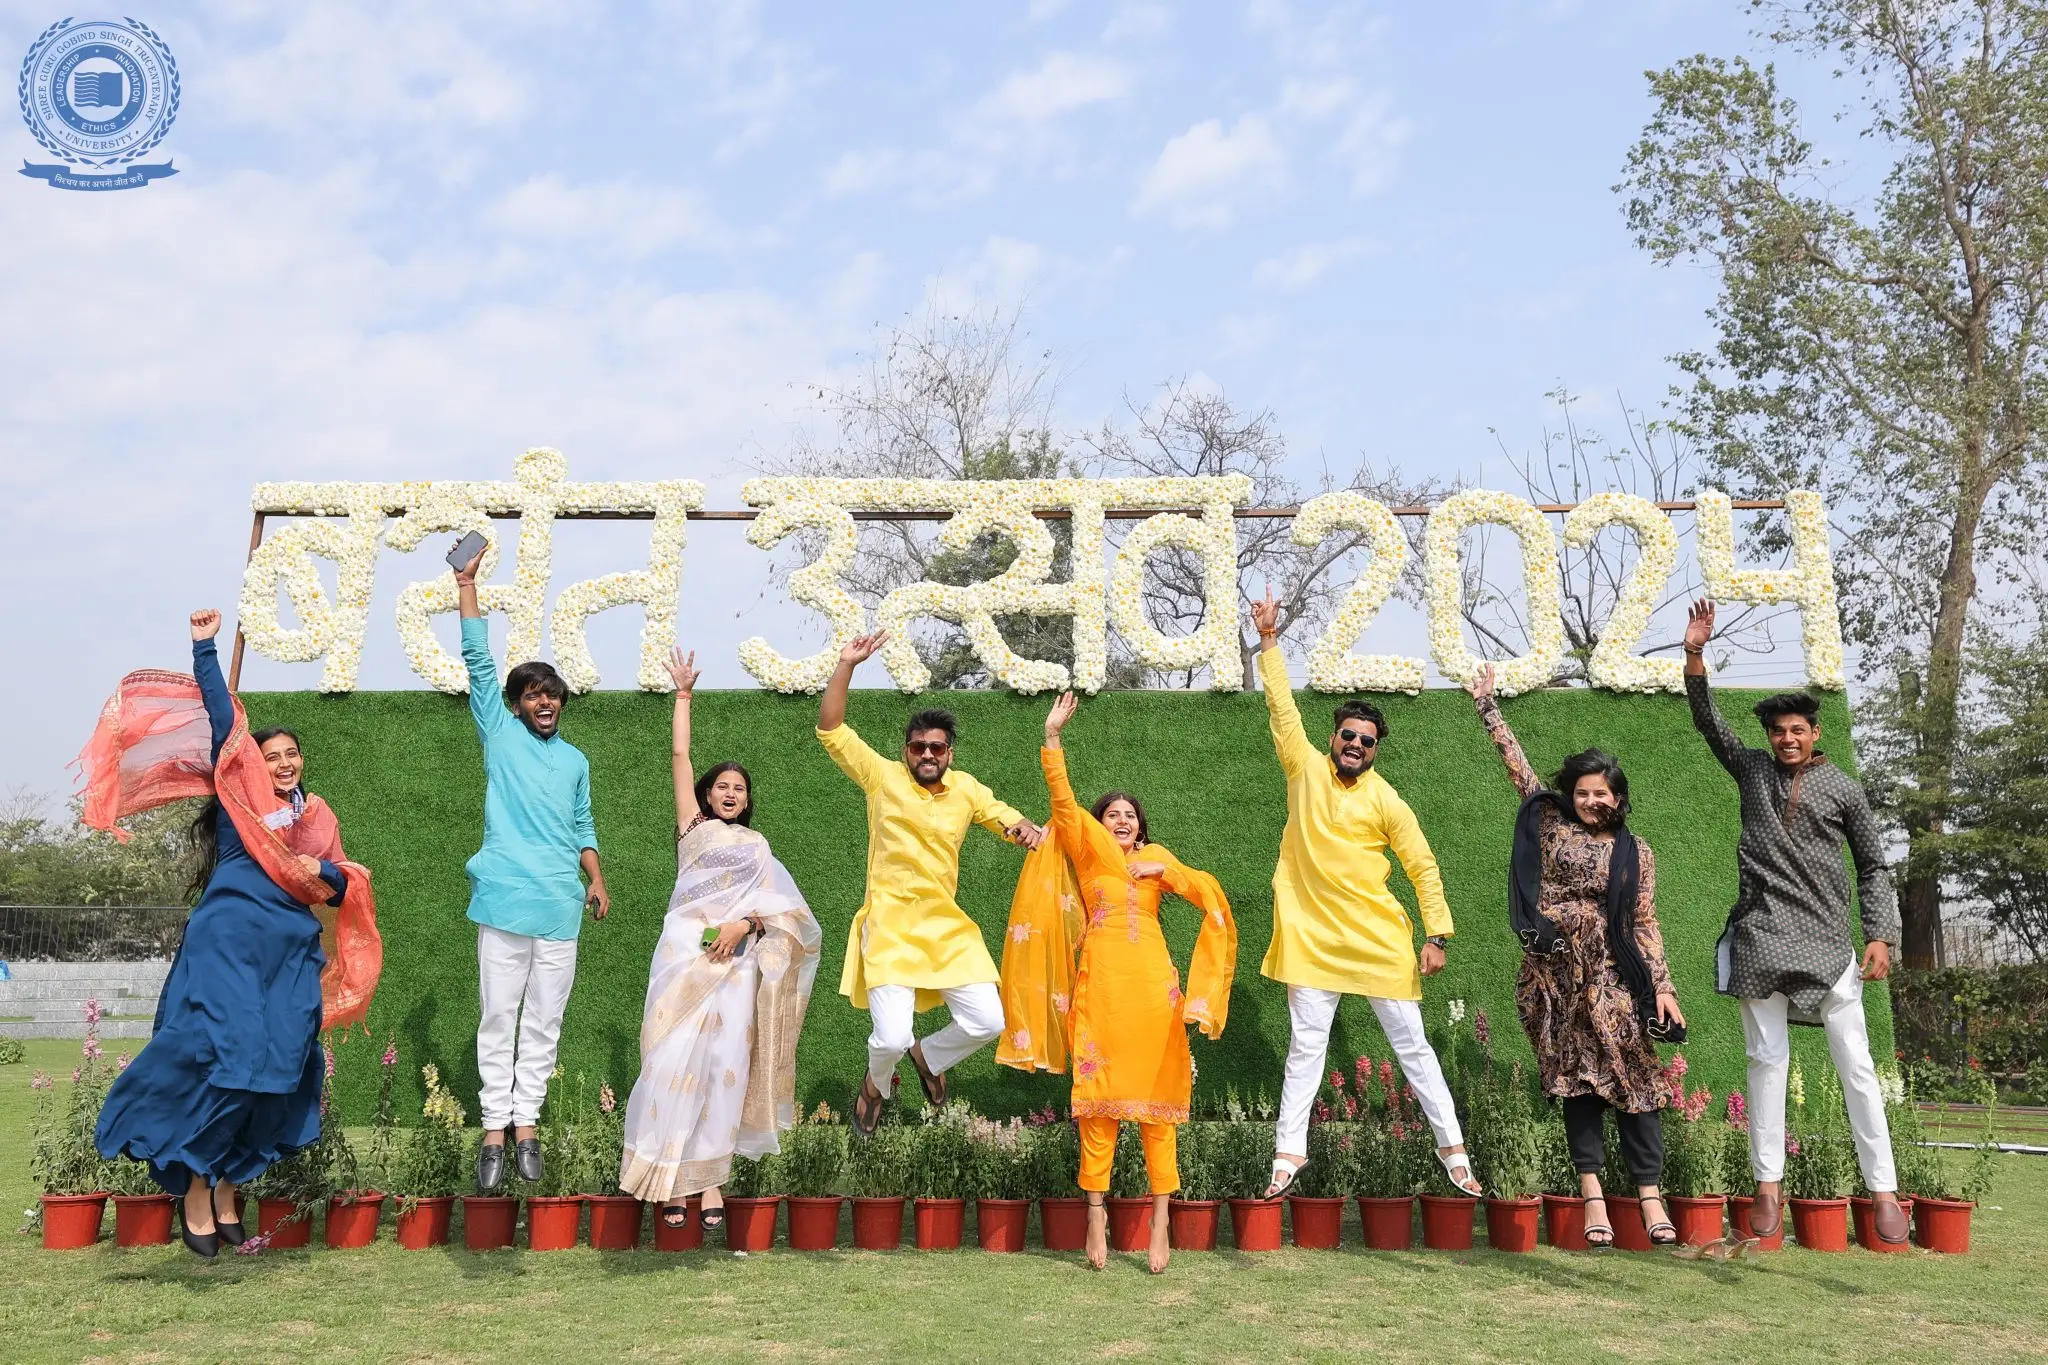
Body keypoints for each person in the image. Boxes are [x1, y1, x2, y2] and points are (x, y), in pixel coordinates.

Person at [89, 609, 378, 1259]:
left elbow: (342, 884)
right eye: (270, 756)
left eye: (291, 754)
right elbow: (224, 718)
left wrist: (324, 870)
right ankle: (194, 1181)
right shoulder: (239, 799)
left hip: (289, 956)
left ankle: (227, 1182)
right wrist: (205, 647)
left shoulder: (317, 817)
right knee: (226, 1057)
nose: (283, 762)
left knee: (281, 1066)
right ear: (250, 765)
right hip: (228, 945)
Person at [1684, 599, 1909, 1245]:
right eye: (1778, 730)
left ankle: (1884, 1190)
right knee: (1766, 1060)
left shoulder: (1844, 789)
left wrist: (1880, 934)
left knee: (1856, 1065)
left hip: (1829, 942)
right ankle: (1768, 1188)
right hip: (1760, 937)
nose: (1787, 738)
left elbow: (1873, 865)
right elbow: (1709, 723)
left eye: (1797, 730)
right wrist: (1695, 654)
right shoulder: (1752, 769)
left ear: (1815, 732)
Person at [1250, 589, 1481, 1199]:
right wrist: (1270, 641)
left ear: (1376, 749)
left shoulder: (1387, 800)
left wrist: (1437, 936)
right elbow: (1281, 707)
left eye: (1367, 740)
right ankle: (1287, 1157)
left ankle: (1454, 1152)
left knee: (1414, 1048)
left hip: (1379, 940)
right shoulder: (1303, 767)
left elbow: (1422, 865)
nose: (1355, 744)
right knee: (1305, 1050)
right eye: (1348, 734)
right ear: (1333, 737)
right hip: (1312, 939)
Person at [998, 690, 1237, 1273]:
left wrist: (1167, 870)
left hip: (1154, 989)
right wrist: (1052, 738)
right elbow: (1062, 801)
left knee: (1158, 1108)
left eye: (1130, 815)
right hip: (1101, 985)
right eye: (1113, 814)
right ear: (1100, 826)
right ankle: (1095, 1215)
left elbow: (1208, 895)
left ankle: (1160, 1222)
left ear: (1141, 827)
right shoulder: (1088, 853)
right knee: (1098, 1106)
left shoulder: (1157, 859)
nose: (1123, 820)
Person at [1468, 663, 1686, 1247]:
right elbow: (1519, 771)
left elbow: (1644, 921)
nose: (1591, 800)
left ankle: (1649, 1197)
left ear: (1618, 798)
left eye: (1601, 793)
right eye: (1582, 792)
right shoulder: (1551, 824)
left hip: (1615, 977)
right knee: (1577, 1083)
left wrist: (1663, 987)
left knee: (1637, 1075)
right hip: (1556, 976)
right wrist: (1488, 709)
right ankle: (1593, 1198)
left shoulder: (1637, 852)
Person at [619, 647, 821, 1234]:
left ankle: (710, 1182)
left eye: (740, 789)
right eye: (723, 786)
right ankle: (668, 1178)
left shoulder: (758, 850)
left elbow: (788, 915)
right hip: (685, 958)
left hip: (736, 964)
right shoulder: (694, 830)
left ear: (748, 800)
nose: (731, 793)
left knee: (723, 1066)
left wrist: (745, 926)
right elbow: (680, 757)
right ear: (708, 795)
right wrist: (683, 696)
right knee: (668, 1061)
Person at [816, 630, 1045, 1136]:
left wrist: (1028, 829)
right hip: (891, 926)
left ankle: (929, 1058)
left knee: (988, 1021)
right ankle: (875, 1086)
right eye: (918, 746)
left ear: (949, 753)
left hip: (946, 928)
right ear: (906, 751)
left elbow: (1007, 819)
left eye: (936, 747)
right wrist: (846, 664)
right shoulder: (882, 777)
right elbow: (831, 730)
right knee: (890, 1039)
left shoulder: (966, 789)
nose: (927, 753)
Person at [454, 542, 609, 1192]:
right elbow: (478, 662)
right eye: (533, 694)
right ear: (516, 703)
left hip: (559, 908)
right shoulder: (500, 733)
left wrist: (595, 877)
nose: (544, 702)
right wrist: (466, 585)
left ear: (562, 703)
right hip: (502, 901)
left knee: (544, 1022)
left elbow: (583, 825)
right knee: (499, 1016)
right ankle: (494, 1128)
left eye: (553, 695)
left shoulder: (575, 760)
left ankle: (527, 1126)